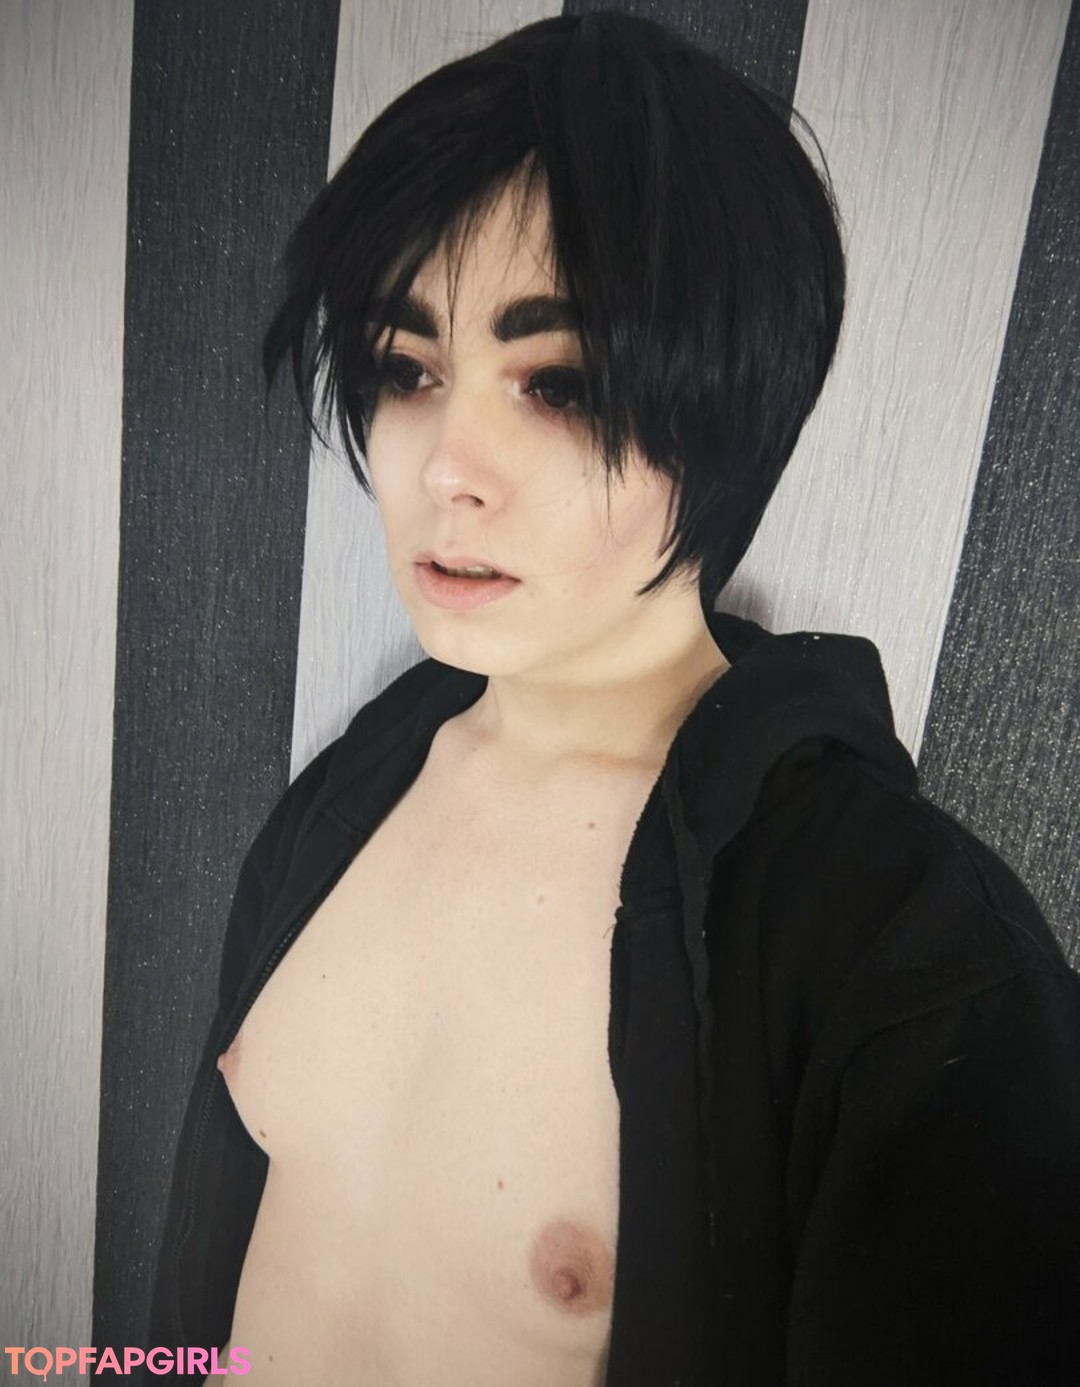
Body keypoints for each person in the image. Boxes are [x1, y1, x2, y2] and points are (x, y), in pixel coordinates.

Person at [146, 11, 1080, 1385]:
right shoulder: (346, 793)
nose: (445, 468)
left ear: (735, 409)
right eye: (407, 368)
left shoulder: (908, 960)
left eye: (560, 383)